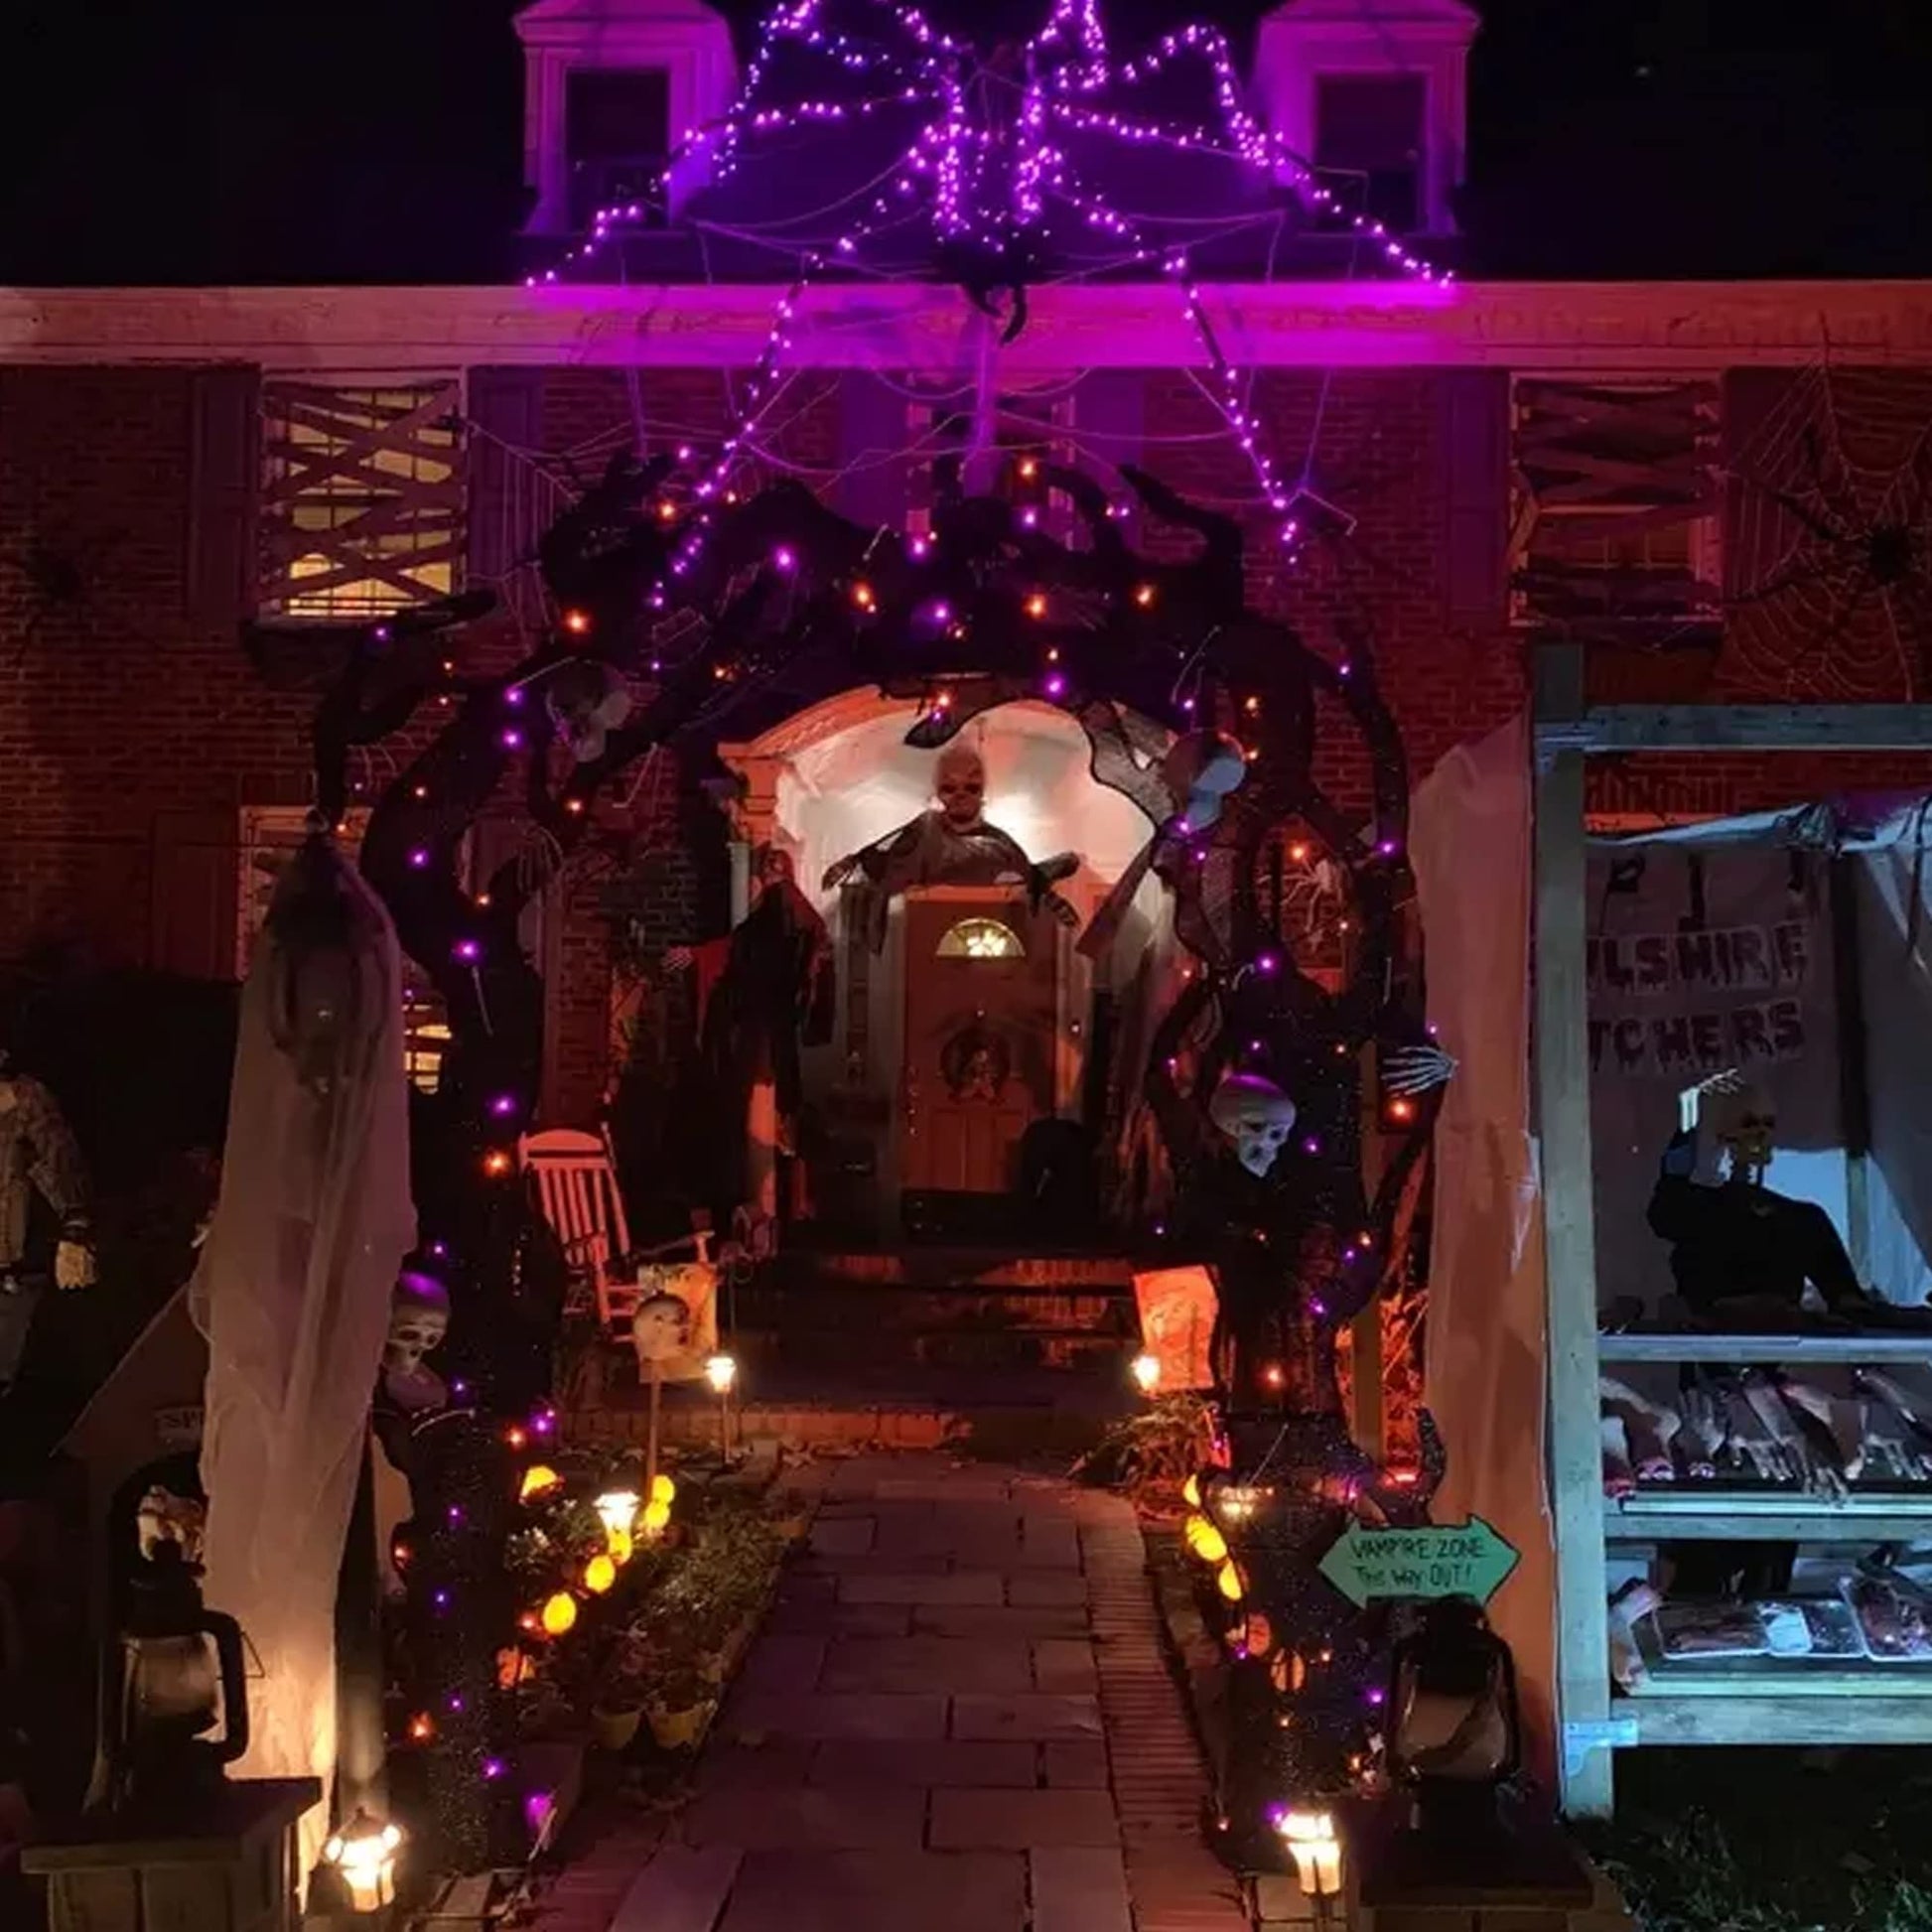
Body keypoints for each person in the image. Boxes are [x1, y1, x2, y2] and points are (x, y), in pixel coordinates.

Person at [1647, 1070, 1871, 1323]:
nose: (1762, 1135)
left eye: (1768, 1124)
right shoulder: (1690, 1202)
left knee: (1807, 1217)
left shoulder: (1799, 1216)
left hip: (1778, 1317)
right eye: (1749, 1124)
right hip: (1717, 1313)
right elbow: (1665, 1216)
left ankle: (1848, 1303)